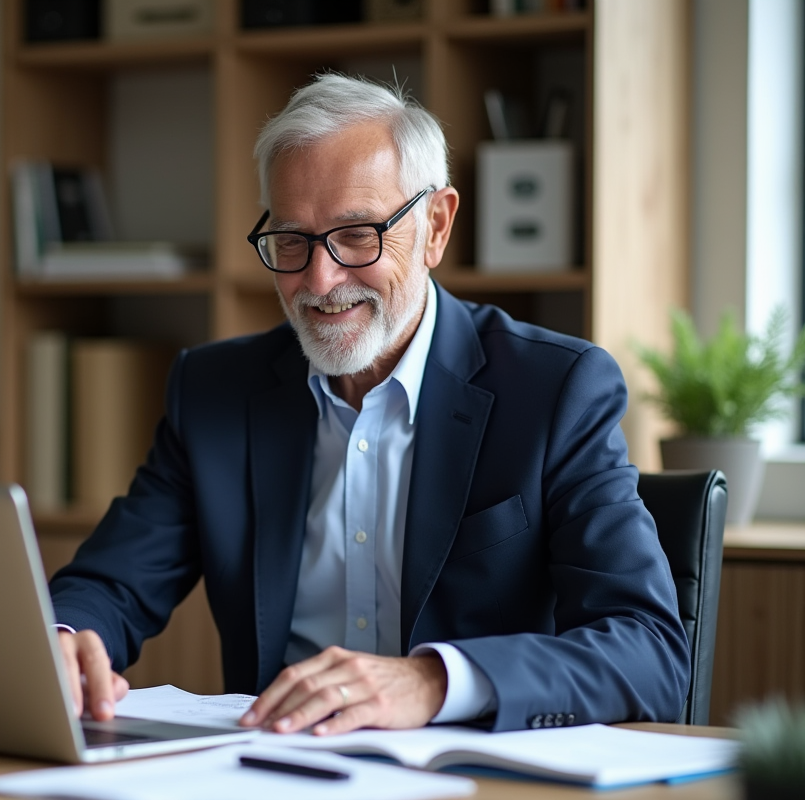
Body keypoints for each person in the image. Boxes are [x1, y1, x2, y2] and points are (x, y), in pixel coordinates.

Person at [48, 73, 689, 735]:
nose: (320, 281)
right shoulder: (215, 391)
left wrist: (434, 681)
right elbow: (112, 584)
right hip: (271, 773)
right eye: (292, 241)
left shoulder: (556, 390)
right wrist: (66, 638)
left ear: (436, 226)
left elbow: (649, 654)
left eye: (357, 234)